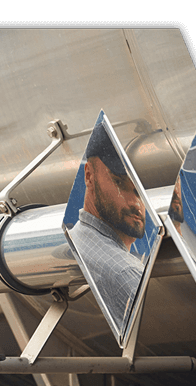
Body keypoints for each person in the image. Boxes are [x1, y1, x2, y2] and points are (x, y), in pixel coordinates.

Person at [67, 125, 148, 336]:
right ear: (89, 176)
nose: (135, 203)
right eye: (119, 182)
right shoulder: (127, 271)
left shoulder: (76, 237)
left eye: (138, 190)